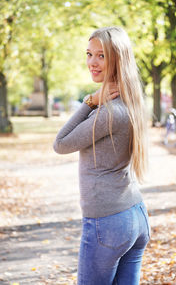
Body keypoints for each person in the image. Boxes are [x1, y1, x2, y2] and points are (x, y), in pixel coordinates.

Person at [53, 26, 151, 285]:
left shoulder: (108, 112)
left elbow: (61, 143)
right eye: (89, 54)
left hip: (108, 223)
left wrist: (90, 101)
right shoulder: (129, 103)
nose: (91, 63)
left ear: (118, 59)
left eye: (101, 56)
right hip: (135, 215)